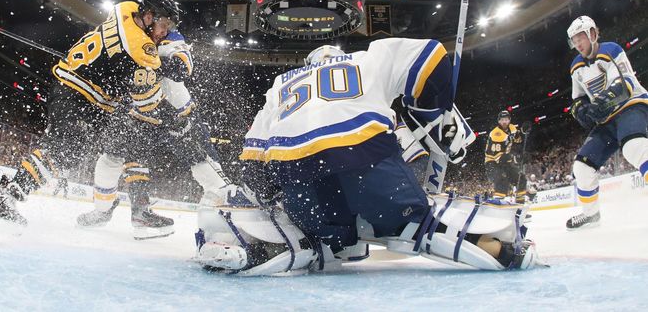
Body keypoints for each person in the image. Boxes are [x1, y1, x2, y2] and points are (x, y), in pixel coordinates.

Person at [195, 40, 538, 275]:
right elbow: (431, 55)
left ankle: (252, 251)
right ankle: (503, 249)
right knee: (414, 226)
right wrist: (433, 110)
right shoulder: (367, 58)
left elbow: (253, 153)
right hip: (362, 154)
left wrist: (269, 198)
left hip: (296, 166)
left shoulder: (281, 83)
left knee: (315, 237)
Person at [0, 0, 180, 229]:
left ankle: (132, 209)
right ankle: (6, 199)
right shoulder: (141, 49)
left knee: (128, 141)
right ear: (148, 16)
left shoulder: (125, 9)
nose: (165, 32)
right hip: (79, 95)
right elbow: (147, 102)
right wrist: (174, 111)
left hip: (87, 95)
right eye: (163, 24)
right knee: (66, 148)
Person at [77, 31, 252, 239]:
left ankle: (226, 222)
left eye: (164, 22)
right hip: (139, 112)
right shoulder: (129, 38)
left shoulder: (171, 37)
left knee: (202, 161)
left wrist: (148, 64)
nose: (161, 27)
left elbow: (182, 68)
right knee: (114, 155)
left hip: (176, 113)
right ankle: (110, 210)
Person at [566, 16, 648, 229]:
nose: (577, 44)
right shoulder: (576, 67)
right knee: (581, 167)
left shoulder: (611, 50)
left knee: (634, 147)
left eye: (580, 38)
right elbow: (578, 99)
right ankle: (591, 214)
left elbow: (624, 82)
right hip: (607, 120)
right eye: (573, 40)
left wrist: (601, 101)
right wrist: (581, 110)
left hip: (631, 106)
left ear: (593, 34)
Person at [484, 110, 527, 203]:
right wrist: (516, 157)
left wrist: (523, 134)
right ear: (498, 121)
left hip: (505, 160)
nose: (504, 122)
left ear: (509, 120)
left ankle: (519, 206)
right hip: (492, 162)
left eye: (506, 119)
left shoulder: (512, 128)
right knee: (502, 179)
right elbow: (498, 156)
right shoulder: (496, 133)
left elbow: (517, 140)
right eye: (502, 120)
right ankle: (496, 203)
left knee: (521, 179)